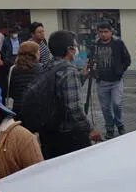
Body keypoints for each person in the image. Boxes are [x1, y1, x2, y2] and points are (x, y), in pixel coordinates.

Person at [41, 31, 100, 159]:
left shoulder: (47, 66)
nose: (76, 48)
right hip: (67, 132)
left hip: (48, 128)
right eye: (75, 45)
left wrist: (83, 75)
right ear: (70, 49)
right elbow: (74, 107)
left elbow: (62, 90)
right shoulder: (68, 70)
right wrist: (90, 129)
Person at [91, 22, 131, 139]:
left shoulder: (118, 43)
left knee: (117, 104)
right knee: (105, 107)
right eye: (101, 32)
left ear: (111, 32)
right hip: (102, 82)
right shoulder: (95, 45)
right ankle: (109, 127)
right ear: (98, 33)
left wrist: (120, 70)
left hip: (116, 81)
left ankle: (119, 124)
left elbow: (127, 59)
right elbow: (91, 60)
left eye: (106, 32)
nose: (103, 34)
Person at [6, 41, 42, 119]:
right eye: (38, 51)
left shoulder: (13, 69)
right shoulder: (41, 68)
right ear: (34, 53)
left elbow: (11, 90)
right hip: (36, 109)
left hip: (17, 110)